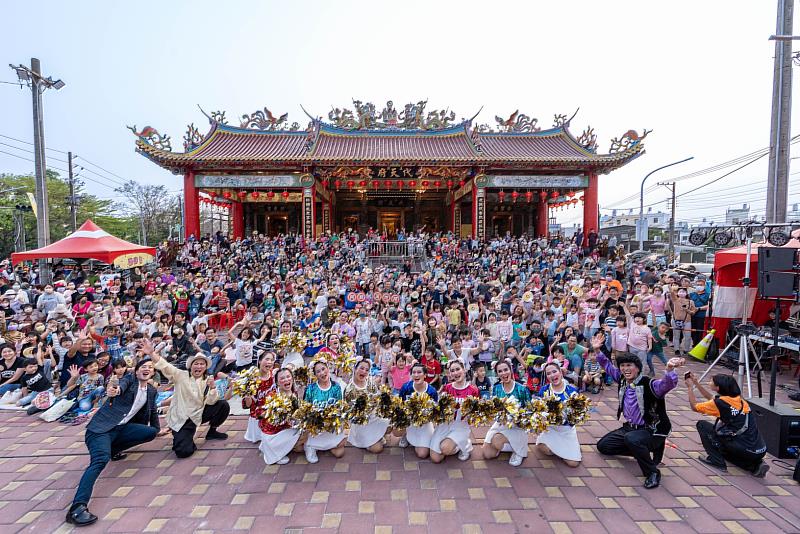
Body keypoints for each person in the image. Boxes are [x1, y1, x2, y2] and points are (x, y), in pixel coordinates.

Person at [66, 358, 159, 527]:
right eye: (143, 367)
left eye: (150, 368)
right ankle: (77, 508)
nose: (147, 369)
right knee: (100, 460)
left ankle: (113, 451)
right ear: (136, 370)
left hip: (122, 429)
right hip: (100, 430)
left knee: (151, 432)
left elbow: (152, 413)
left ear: (153, 372)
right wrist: (114, 390)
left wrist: (158, 430)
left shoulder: (151, 391)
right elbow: (120, 386)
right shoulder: (130, 380)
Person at [596, 348, 684, 489]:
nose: (625, 369)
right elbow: (608, 367)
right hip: (631, 428)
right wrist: (597, 350)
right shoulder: (623, 380)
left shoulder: (649, 384)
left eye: (629, 365)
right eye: (623, 366)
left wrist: (669, 370)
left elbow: (667, 384)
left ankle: (652, 473)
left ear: (637, 368)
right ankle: (644, 450)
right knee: (604, 446)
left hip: (652, 430)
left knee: (632, 439)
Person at [144, 340, 230, 458]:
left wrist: (213, 387)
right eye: (196, 364)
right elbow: (166, 366)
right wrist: (151, 353)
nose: (199, 366)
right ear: (190, 365)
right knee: (183, 452)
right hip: (182, 418)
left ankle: (212, 431)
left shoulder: (208, 380)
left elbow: (211, 401)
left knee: (223, 405)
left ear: (205, 367)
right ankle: (182, 438)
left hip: (198, 414)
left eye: (202, 364)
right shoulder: (181, 375)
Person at [685, 372, 769, 477]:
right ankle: (754, 465)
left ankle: (716, 461)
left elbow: (694, 406)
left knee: (702, 425)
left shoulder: (720, 403)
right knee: (726, 447)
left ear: (718, 388)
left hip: (743, 447)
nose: (709, 382)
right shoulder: (739, 400)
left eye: (712, 381)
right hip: (758, 449)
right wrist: (696, 383)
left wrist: (689, 388)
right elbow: (711, 398)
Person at [482, 359, 531, 466]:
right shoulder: (496, 388)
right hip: (501, 424)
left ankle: (518, 450)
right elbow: (494, 408)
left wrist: (518, 417)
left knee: (496, 440)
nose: (503, 373)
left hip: (517, 426)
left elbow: (529, 411)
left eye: (506, 370)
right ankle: (507, 445)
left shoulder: (522, 389)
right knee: (487, 454)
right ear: (497, 374)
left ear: (511, 370)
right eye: (500, 371)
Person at [429, 360, 479, 463]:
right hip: (445, 424)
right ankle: (455, 445)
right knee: (436, 458)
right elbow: (441, 408)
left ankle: (465, 446)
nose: (455, 373)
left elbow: (476, 412)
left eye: (458, 369)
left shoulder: (473, 390)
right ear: (450, 374)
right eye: (452, 371)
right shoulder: (447, 388)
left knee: (445, 448)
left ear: (464, 370)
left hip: (461, 426)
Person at [536, 361, 582, 467]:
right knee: (545, 450)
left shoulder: (572, 391)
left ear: (561, 372)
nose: (552, 375)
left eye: (554, 371)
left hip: (566, 430)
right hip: (550, 428)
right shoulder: (544, 390)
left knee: (573, 463)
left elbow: (577, 416)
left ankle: (569, 448)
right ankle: (565, 449)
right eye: (548, 373)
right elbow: (538, 411)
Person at [258, 367, 305, 465]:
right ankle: (273, 449)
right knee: (302, 441)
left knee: (302, 443)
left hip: (287, 428)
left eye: (288, 377)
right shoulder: (273, 396)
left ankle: (277, 447)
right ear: (277, 382)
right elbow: (261, 414)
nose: (286, 380)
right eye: (282, 378)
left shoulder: (295, 393)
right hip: (273, 433)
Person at [303, 360, 346, 463]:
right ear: (315, 375)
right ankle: (311, 446)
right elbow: (305, 410)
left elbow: (340, 407)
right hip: (316, 427)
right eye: (318, 371)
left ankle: (325, 446)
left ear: (328, 368)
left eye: (323, 369)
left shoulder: (336, 387)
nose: (322, 373)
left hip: (331, 425)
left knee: (340, 453)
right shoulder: (310, 389)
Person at [345, 359, 389, 453]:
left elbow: (377, 398)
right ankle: (365, 441)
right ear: (355, 369)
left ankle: (377, 435)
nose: (364, 372)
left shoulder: (370, 382)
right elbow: (352, 414)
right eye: (361, 368)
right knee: (378, 449)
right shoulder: (349, 389)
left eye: (366, 370)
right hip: (361, 423)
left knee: (390, 423)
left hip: (373, 416)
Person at [397, 363, 439, 459]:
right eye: (414, 372)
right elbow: (400, 405)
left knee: (422, 454)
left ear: (425, 375)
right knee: (396, 429)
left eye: (419, 372)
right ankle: (406, 434)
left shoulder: (432, 391)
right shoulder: (406, 388)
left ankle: (419, 439)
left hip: (424, 422)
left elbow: (434, 412)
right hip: (409, 420)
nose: (416, 375)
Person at [243, 352, 276, 443]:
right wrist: (247, 394)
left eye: (272, 360)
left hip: (272, 411)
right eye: (267, 359)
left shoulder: (274, 376)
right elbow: (248, 405)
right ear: (260, 361)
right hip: (257, 415)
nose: (269, 362)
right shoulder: (252, 379)